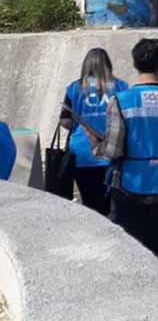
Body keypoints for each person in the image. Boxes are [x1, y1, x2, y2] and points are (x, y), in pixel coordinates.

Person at [91, 38, 158, 274]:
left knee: (133, 248)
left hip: (131, 187)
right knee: (155, 243)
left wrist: (96, 146)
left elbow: (112, 151)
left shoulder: (121, 101)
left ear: (135, 64)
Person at [59, 48, 129, 216]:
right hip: (112, 152)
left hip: (83, 153)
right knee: (113, 205)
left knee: (90, 205)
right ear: (108, 64)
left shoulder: (74, 88)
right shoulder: (121, 86)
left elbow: (65, 122)